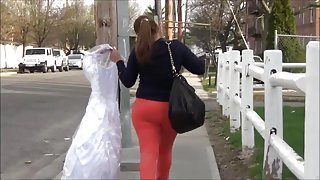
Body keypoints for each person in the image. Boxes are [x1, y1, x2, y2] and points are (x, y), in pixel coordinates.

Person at [110, 15, 205, 180]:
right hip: (171, 110)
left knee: (147, 152)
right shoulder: (175, 47)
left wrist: (118, 61)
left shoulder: (138, 52)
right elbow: (199, 68)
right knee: (165, 150)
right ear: (158, 27)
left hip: (144, 109)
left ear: (138, 33)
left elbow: (127, 81)